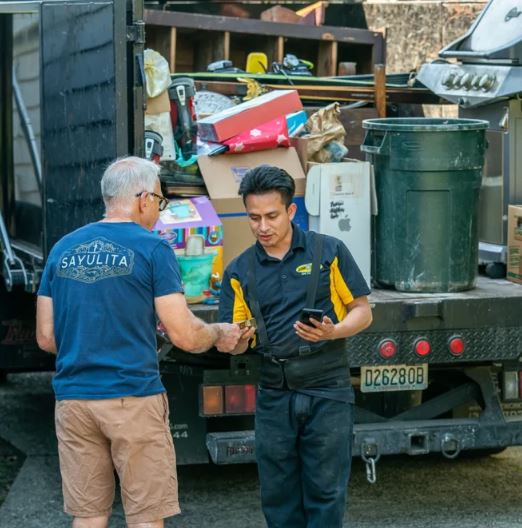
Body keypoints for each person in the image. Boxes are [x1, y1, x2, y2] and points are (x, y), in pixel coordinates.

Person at [36, 156, 241, 528]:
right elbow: (184, 334)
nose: (159, 211)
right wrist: (217, 333)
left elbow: (46, 338)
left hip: (74, 401)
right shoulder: (153, 248)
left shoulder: (62, 249)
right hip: (132, 397)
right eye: (160, 201)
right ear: (144, 199)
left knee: (88, 515)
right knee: (146, 515)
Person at [218, 165, 372, 528]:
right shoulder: (239, 271)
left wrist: (334, 332)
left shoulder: (328, 251)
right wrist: (235, 342)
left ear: (291, 210)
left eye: (271, 216)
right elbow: (236, 342)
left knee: (326, 493)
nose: (262, 226)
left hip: (328, 387)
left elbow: (363, 312)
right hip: (275, 392)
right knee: (278, 496)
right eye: (254, 217)